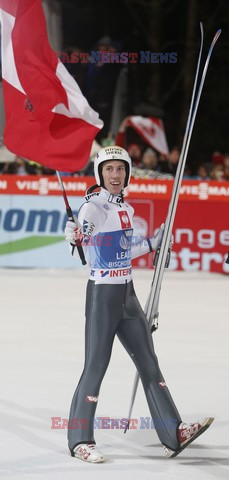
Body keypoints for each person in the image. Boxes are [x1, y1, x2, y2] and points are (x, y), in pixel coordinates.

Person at [64, 146, 213, 463]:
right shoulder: (94, 206)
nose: (115, 175)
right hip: (103, 295)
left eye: (120, 169)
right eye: (109, 170)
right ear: (100, 174)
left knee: (149, 362)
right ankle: (80, 440)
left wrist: (153, 242)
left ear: (127, 173)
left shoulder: (125, 209)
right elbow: (89, 241)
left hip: (127, 295)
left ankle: (172, 433)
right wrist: (76, 235)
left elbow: (123, 250)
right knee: (95, 367)